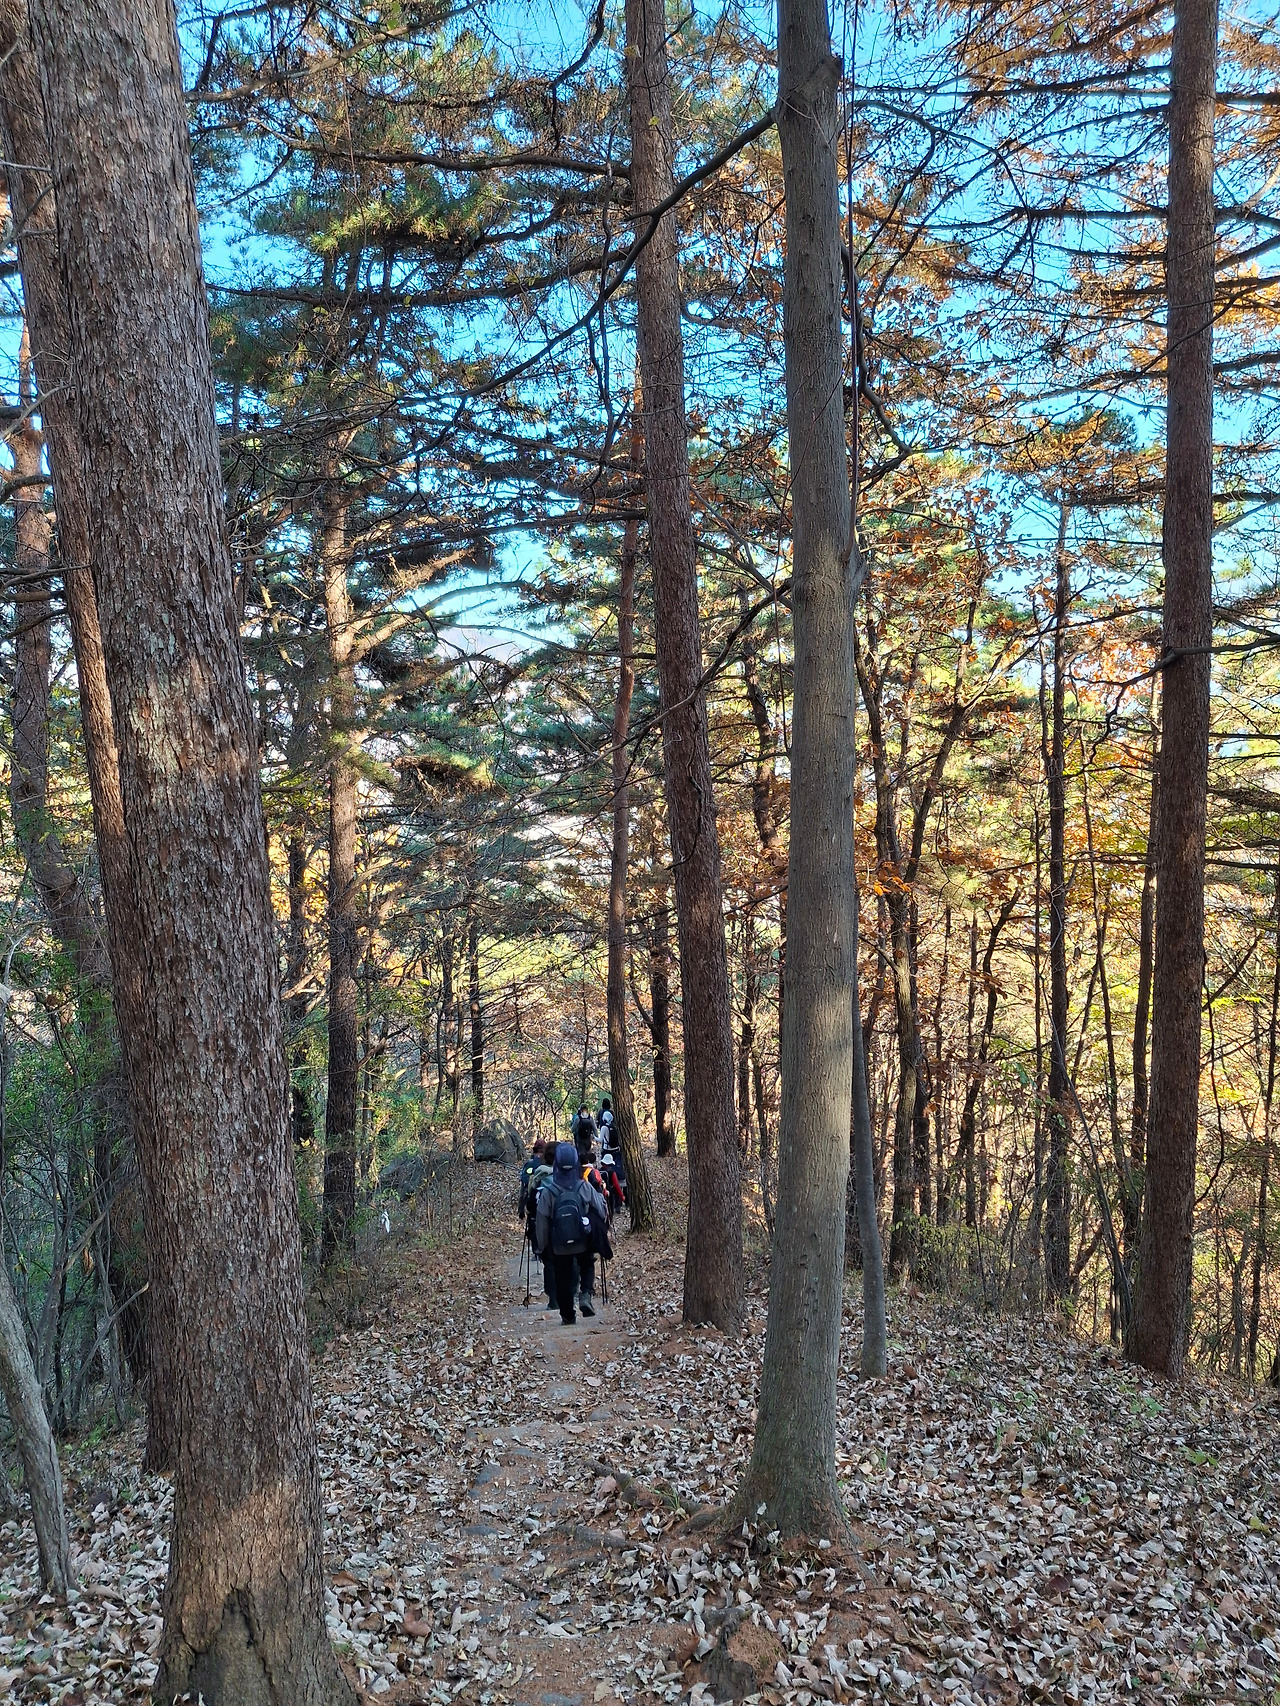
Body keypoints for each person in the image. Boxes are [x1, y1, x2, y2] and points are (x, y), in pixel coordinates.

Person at [536, 1141, 607, 1324]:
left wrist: (542, 1245)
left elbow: (542, 1220)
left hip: (559, 1245)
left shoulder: (549, 1192)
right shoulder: (583, 1186)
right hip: (582, 1239)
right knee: (587, 1263)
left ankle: (568, 1315)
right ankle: (585, 1293)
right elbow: (600, 1210)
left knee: (562, 1277)